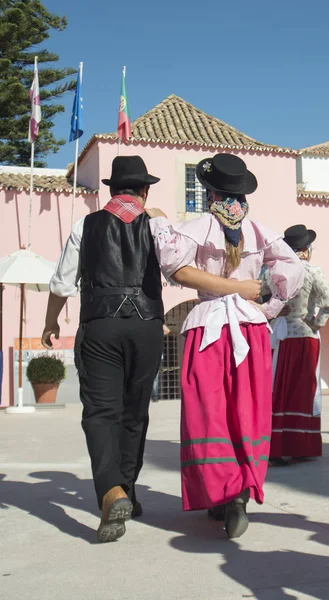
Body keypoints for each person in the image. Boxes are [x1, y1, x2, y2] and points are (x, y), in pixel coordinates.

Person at [41, 155, 263, 543]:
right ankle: (128, 488)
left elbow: (61, 283)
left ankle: (112, 490)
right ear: (145, 190)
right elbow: (178, 268)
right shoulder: (158, 226)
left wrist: (50, 322)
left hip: (100, 324)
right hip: (146, 326)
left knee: (100, 412)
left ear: (111, 190)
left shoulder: (85, 225)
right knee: (134, 412)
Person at [148, 153, 304, 539]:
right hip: (249, 329)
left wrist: (156, 218)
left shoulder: (195, 227)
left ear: (208, 192)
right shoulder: (263, 233)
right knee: (247, 410)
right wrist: (262, 303)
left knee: (208, 411)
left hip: (208, 328)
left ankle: (224, 491)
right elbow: (291, 270)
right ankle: (238, 494)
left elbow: (176, 268)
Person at [262, 224, 329, 465]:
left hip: (278, 336)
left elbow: (256, 293)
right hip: (304, 335)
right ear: (305, 250)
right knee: (303, 390)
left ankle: (276, 445)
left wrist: (269, 312)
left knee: (277, 388)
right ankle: (299, 445)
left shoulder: (272, 272)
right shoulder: (312, 271)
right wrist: (317, 323)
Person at [152, 324, 170, 402]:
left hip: (153, 356)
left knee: (153, 378)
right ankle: (155, 397)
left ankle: (154, 396)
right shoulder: (157, 334)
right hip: (155, 356)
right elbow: (167, 330)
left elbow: (167, 330)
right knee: (155, 378)